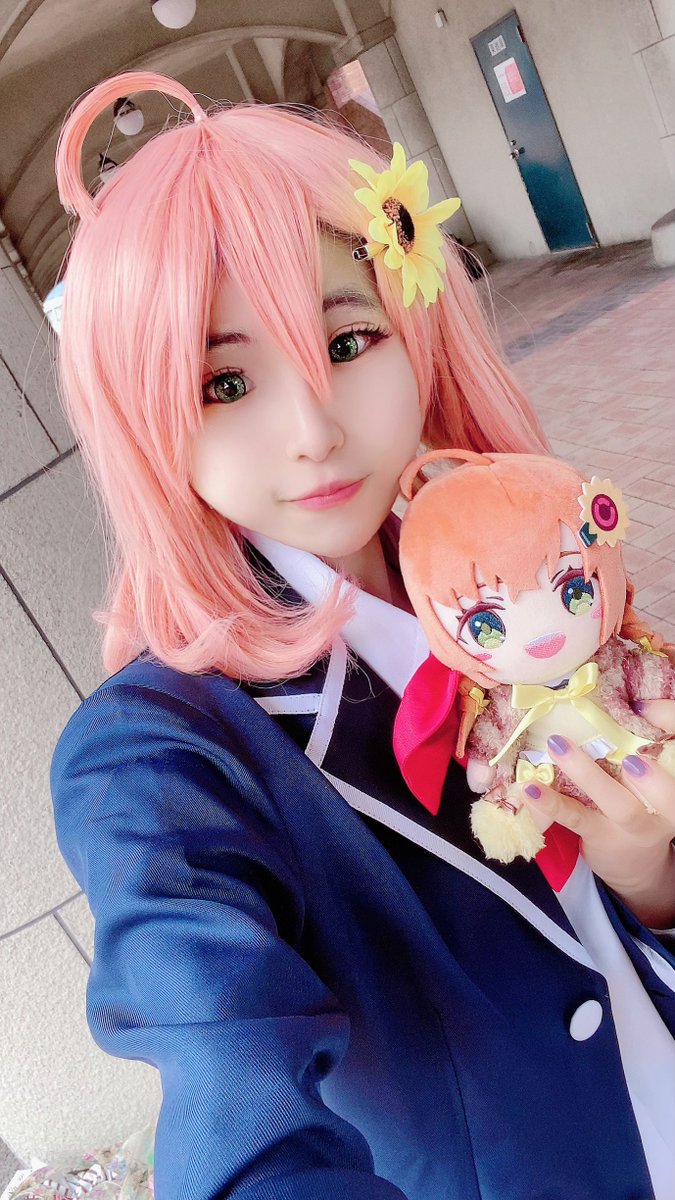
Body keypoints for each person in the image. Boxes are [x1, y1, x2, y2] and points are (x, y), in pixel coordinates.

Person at [49, 70, 675, 1200]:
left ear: (414, 327)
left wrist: (649, 879)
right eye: (223, 383)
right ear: (146, 424)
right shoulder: (158, 760)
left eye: (346, 343)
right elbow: (242, 1122)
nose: (312, 431)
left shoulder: (525, 558)